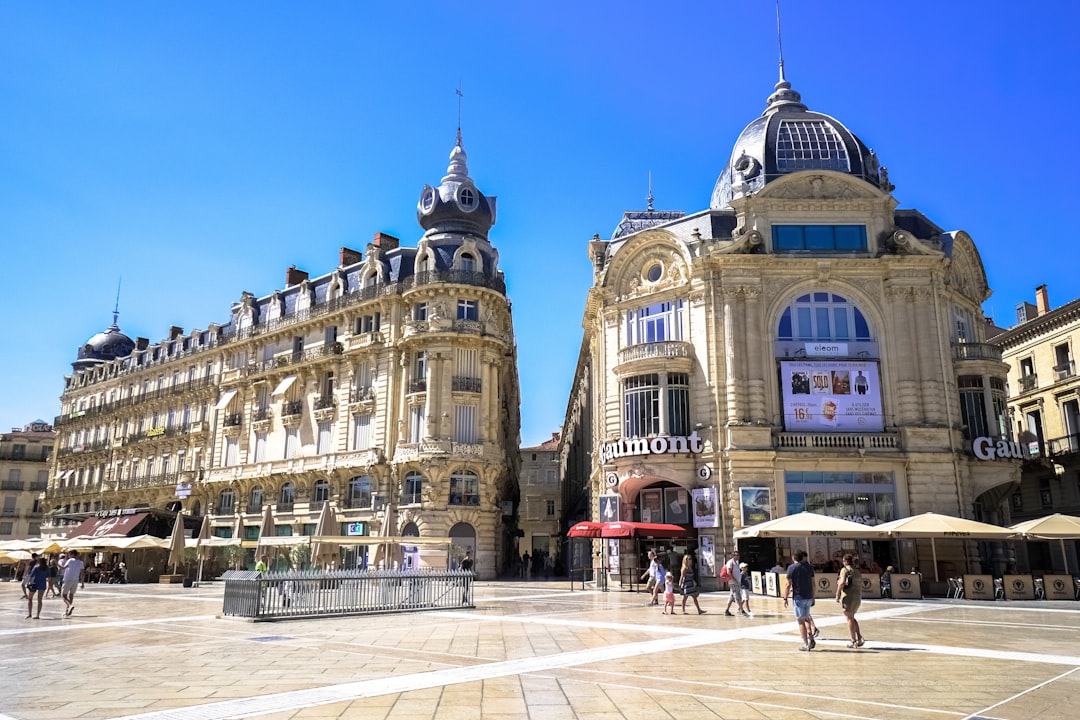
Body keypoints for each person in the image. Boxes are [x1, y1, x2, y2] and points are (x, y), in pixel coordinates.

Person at [783, 550, 816, 651]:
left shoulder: (791, 568)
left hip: (798, 597)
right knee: (806, 618)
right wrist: (813, 596)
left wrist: (785, 597)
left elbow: (788, 585)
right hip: (809, 596)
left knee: (800, 621)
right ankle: (810, 635)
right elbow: (813, 583)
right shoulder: (809, 567)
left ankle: (806, 644)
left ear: (793, 558)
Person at [836, 553, 865, 648]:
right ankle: (859, 637)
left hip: (848, 595)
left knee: (849, 618)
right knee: (852, 617)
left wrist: (837, 594)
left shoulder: (844, 570)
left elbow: (842, 582)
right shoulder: (857, 571)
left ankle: (853, 640)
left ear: (844, 561)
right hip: (857, 595)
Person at [58, 549, 86, 617]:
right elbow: (82, 573)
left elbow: (63, 568)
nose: (69, 556)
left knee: (63, 595)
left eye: (69, 554)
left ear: (72, 554)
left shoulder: (70, 560)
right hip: (75, 580)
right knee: (71, 595)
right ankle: (68, 611)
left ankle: (70, 605)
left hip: (68, 579)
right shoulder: (81, 562)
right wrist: (82, 583)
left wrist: (58, 563)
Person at [724, 551, 751, 617]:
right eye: (737, 555)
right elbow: (728, 572)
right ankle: (742, 611)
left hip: (736, 582)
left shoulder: (736, 562)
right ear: (733, 556)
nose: (738, 556)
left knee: (731, 597)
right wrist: (734, 579)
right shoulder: (730, 562)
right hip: (733, 582)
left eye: (738, 555)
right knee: (737, 596)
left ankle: (726, 611)